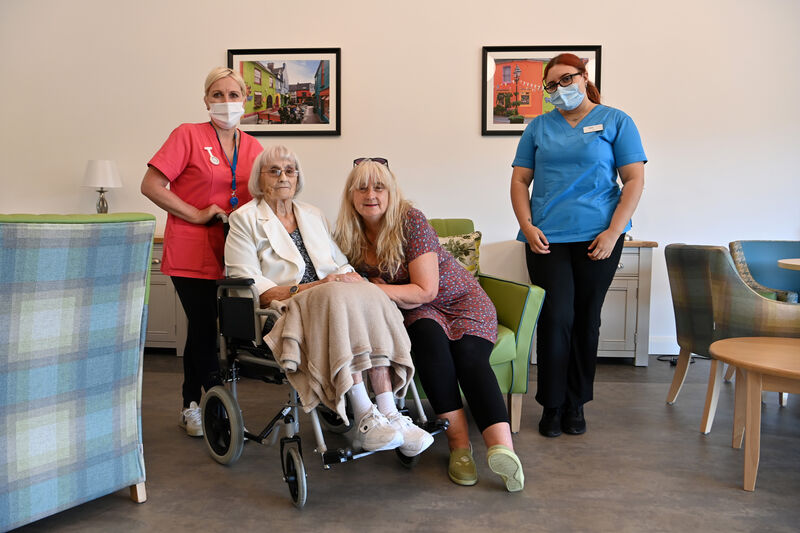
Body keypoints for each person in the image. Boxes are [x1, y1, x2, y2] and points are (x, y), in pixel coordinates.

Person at [224, 146, 433, 456]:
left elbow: (341, 266)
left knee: (368, 294)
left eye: (290, 170)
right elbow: (256, 288)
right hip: (286, 306)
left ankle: (390, 413)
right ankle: (364, 414)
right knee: (337, 296)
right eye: (275, 171)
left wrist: (353, 283)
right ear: (260, 179)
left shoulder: (312, 214)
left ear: (298, 178)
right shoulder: (245, 220)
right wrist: (321, 286)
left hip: (331, 298)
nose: (284, 176)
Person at [335, 158, 524, 492]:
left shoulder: (411, 220)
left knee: (469, 357)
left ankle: (502, 450)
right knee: (430, 347)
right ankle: (459, 447)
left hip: (461, 301)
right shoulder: (347, 236)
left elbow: (426, 289)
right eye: (361, 187)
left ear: (391, 191)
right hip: (417, 312)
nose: (371, 194)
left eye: (379, 186)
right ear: (350, 194)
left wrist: (371, 287)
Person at [509, 53, 646, 438]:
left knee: (587, 320)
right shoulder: (538, 127)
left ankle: (576, 404)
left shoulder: (617, 121)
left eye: (566, 80)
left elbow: (633, 180)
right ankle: (551, 405)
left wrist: (613, 232)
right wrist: (526, 225)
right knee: (556, 319)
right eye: (551, 85)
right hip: (546, 239)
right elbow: (520, 182)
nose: (559, 90)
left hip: (598, 238)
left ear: (585, 77)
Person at [141, 67, 264, 438]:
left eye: (233, 95)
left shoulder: (254, 147)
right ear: (206, 100)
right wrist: (196, 213)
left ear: (245, 100)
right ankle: (210, 405)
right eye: (217, 95)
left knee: (213, 327)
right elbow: (150, 184)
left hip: (233, 253)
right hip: (190, 250)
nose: (226, 102)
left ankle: (192, 404)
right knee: (205, 325)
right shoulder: (188, 135)